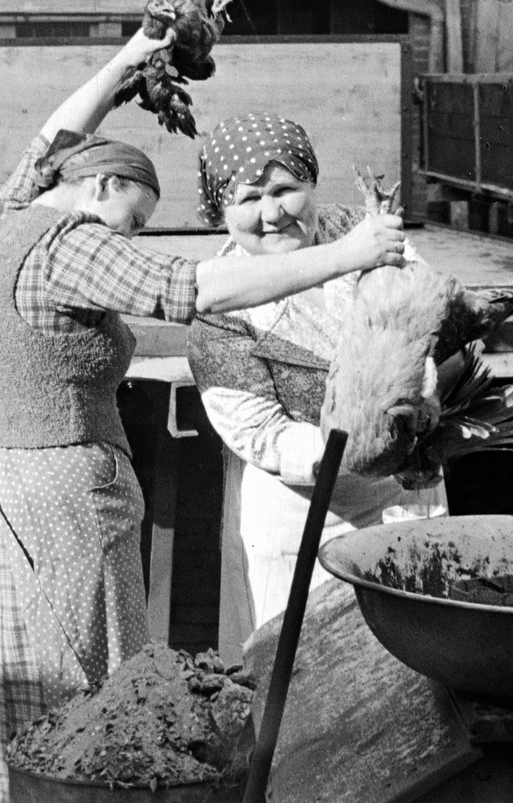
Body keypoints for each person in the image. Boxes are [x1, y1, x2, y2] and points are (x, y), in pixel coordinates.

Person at [0, 32, 406, 801]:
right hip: (63, 501)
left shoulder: (1, 216)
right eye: (133, 219)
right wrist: (350, 252)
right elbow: (204, 289)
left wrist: (132, 56)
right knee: (90, 703)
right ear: (98, 190)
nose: (129, 235)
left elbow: (57, 133)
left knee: (16, 693)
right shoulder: (70, 247)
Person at [185, 112, 446, 635]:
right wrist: (356, 448)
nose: (272, 213)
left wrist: (424, 398)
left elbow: (421, 319)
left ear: (312, 182)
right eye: (248, 198)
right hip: (298, 510)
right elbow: (259, 431)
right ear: (220, 213)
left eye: (285, 188)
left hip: (401, 496)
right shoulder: (220, 302)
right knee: (302, 668)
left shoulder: (366, 235)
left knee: (416, 658)